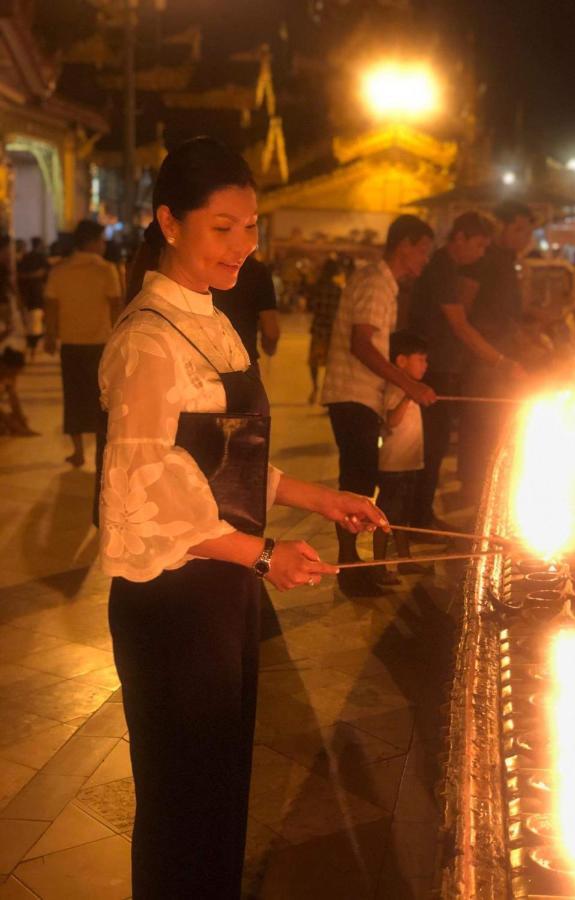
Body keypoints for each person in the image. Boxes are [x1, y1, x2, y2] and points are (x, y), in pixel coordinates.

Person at [97, 136, 386, 899]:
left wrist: (324, 500)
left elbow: (225, 464)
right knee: (181, 800)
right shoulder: (148, 340)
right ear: (167, 221)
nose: (241, 245)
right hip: (173, 601)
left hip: (220, 591)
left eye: (251, 226)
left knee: (221, 786)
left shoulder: (212, 321)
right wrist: (261, 555)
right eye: (222, 227)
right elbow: (143, 491)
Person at [322, 214, 436, 596]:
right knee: (355, 482)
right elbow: (362, 343)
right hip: (352, 394)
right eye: (422, 251)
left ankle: (354, 565)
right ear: (404, 246)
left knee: (359, 480)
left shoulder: (384, 284)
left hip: (360, 396)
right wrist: (408, 384)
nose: (424, 260)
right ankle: (350, 568)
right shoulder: (376, 282)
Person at [408, 211, 494, 531]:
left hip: (441, 366)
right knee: (431, 446)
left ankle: (422, 514)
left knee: (436, 444)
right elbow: (458, 324)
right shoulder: (442, 268)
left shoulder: (450, 268)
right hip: (434, 368)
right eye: (479, 245)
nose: (481, 253)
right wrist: (498, 361)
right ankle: (420, 519)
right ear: (459, 238)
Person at [453, 200, 533, 506]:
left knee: (498, 422)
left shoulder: (509, 261)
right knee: (480, 424)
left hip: (504, 357)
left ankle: (492, 487)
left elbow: (511, 311)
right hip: (484, 359)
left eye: (528, 230)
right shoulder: (482, 261)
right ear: (500, 227)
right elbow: (464, 308)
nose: (525, 236)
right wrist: (487, 346)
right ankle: (474, 489)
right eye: (519, 228)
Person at [44, 220, 122, 467]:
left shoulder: (60, 270)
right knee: (103, 399)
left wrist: (49, 336)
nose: (103, 245)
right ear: (91, 242)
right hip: (101, 344)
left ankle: (78, 452)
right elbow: (116, 307)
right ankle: (102, 451)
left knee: (74, 397)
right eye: (101, 241)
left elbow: (51, 307)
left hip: (71, 344)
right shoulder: (107, 270)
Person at [373, 330, 431, 583]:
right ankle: (379, 565)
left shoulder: (412, 389)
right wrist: (409, 395)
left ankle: (405, 561)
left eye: (426, 360)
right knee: (385, 517)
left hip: (409, 464)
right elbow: (392, 421)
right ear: (401, 361)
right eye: (420, 359)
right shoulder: (396, 387)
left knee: (403, 517)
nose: (425, 365)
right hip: (393, 466)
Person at [212, 254, 280, 367]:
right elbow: (271, 332)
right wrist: (270, 349)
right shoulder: (257, 271)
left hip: (200, 364)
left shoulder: (200, 266)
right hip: (243, 364)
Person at [307, 257, 344, 403]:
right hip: (332, 331)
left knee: (314, 362)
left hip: (318, 329)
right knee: (331, 364)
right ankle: (327, 393)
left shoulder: (317, 288)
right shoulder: (338, 290)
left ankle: (315, 387)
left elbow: (312, 307)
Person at [17, 236, 49, 359]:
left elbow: (20, 276)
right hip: (37, 295)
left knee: (30, 321)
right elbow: (47, 274)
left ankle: (31, 347)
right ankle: (33, 348)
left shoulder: (25, 258)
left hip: (27, 295)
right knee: (36, 322)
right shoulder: (41, 259)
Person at [0, 346, 38, 436]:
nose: (14, 376)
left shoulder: (8, 376)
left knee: (16, 420)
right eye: (13, 372)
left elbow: (14, 401)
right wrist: (16, 427)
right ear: (4, 366)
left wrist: (23, 424)